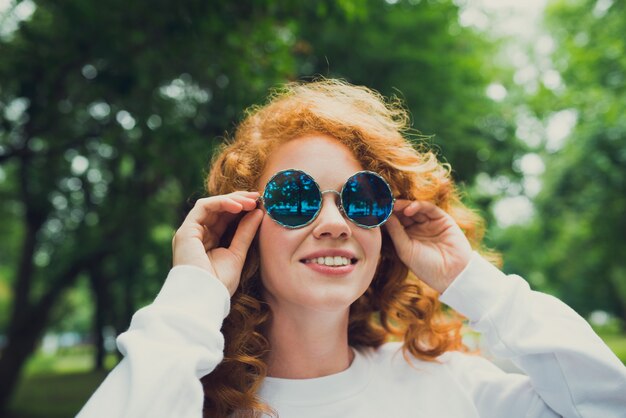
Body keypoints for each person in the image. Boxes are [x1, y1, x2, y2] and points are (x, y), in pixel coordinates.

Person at [77, 79, 626, 418]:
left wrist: (473, 282)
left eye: (362, 199)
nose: (335, 222)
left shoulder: (452, 386)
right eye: (295, 198)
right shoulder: (187, 398)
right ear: (242, 227)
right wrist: (193, 298)